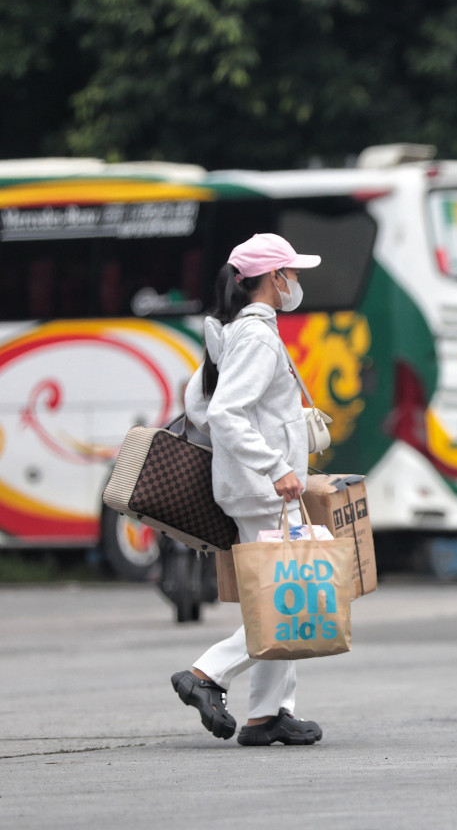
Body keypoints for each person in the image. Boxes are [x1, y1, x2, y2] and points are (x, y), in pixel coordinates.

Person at [169, 233, 325, 746]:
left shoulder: (231, 331)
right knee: (288, 604)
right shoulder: (256, 336)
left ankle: (267, 715)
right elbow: (223, 411)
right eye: (293, 273)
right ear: (274, 279)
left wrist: (281, 427)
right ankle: (207, 674)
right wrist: (275, 463)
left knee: (281, 597)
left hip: (252, 487)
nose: (297, 282)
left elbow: (199, 402)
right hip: (266, 490)